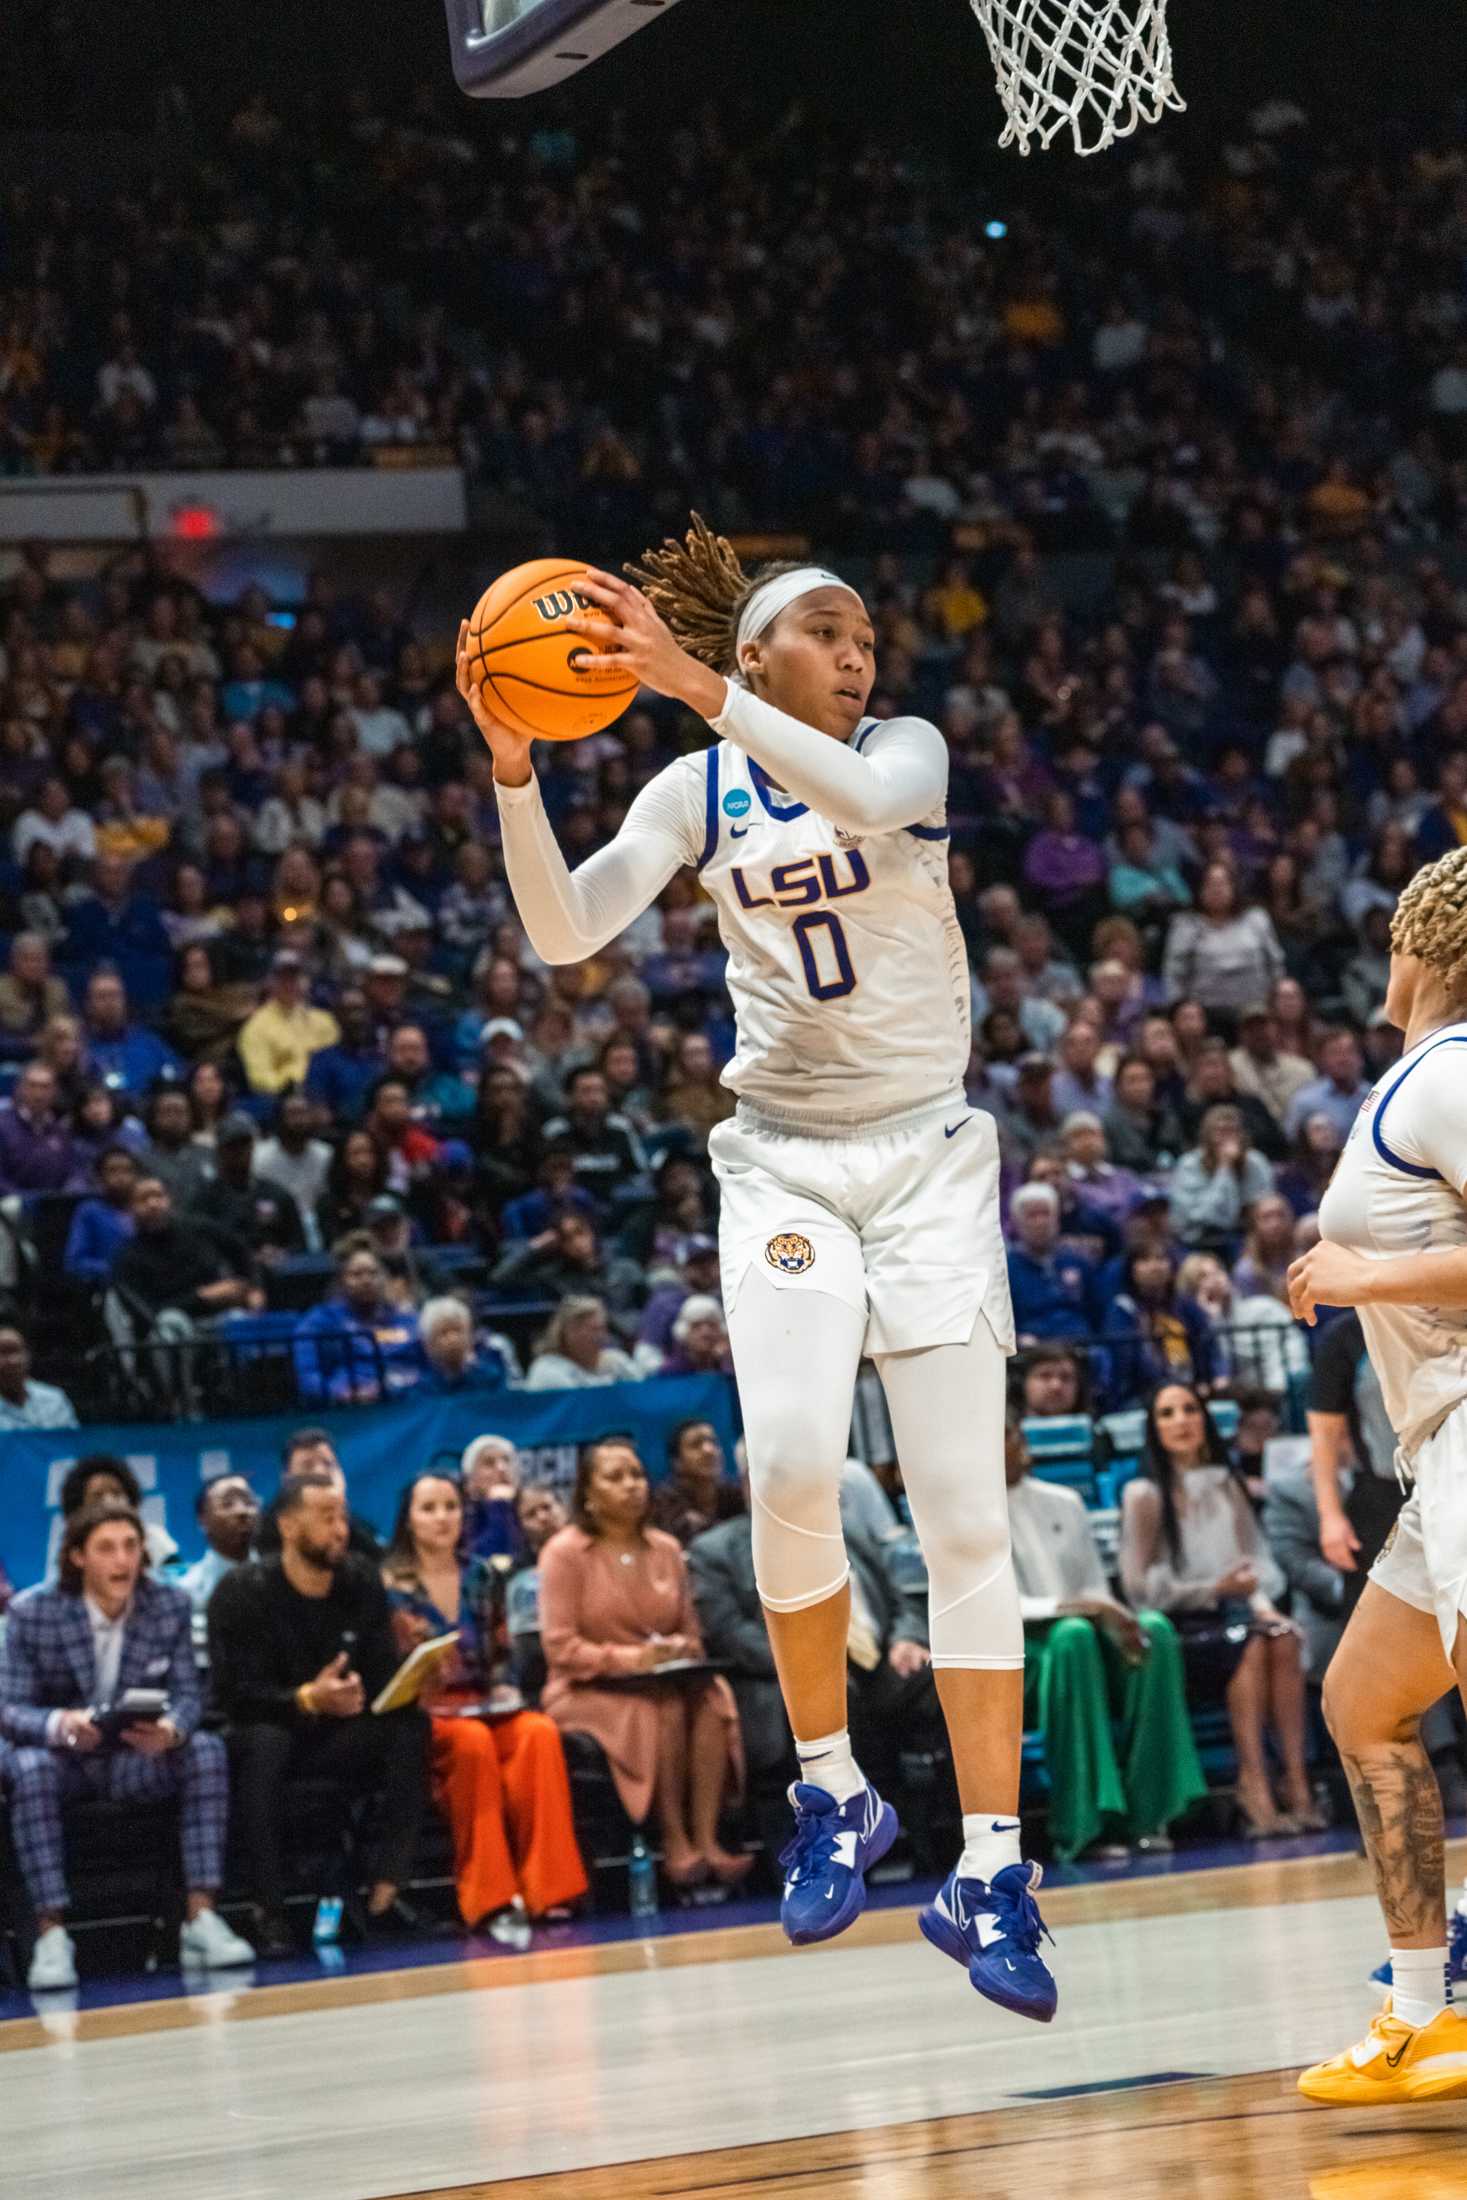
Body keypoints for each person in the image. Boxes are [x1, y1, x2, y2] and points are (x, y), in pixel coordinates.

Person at [459, 518, 1053, 2020]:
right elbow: (561, 930)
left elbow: (850, 789)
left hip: (926, 1157)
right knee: (787, 1462)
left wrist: (685, 684)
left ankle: (992, 1867)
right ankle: (832, 1790)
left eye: (865, 638)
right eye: (830, 632)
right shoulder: (694, 786)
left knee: (961, 1515)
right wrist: (515, 767)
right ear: (757, 651)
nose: (861, 655)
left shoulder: (901, 753)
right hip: (784, 1157)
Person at [1285, 846, 1467, 2098]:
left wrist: (1357, 1277)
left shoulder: (1451, 1072)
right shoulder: (1415, 1079)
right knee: (1361, 1702)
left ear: (1425, 943)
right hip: (1434, 1448)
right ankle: (1423, 2008)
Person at [0, 1500, 254, 1990]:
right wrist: (59, 1723)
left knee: (204, 1750)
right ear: (77, 1556)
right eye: (107, 1549)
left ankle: (200, 1917)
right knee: (29, 1769)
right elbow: (9, 1710)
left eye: (131, 1547)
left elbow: (188, 1694)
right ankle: (51, 1934)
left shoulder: (170, 1605)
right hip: (62, 1759)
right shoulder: (33, 1612)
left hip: (133, 1757)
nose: (122, 1560)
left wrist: (171, 1731)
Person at [207, 1473, 433, 1956]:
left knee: (408, 1726)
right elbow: (232, 1695)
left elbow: (380, 1674)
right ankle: (267, 1909)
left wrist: (409, 1678)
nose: (340, 1529)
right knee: (268, 1741)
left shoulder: (359, 1579)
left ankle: (388, 1886)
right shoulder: (242, 1591)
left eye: (343, 1517)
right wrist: (307, 1698)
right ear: (288, 1527)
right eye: (326, 1518)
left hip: (335, 1736)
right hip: (265, 1735)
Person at [381, 1472, 587, 1941]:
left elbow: (502, 1656)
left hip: (483, 1703)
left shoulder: (482, 1573)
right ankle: (489, 1899)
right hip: (423, 1714)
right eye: (429, 1508)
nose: (442, 1518)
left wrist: (503, 1689)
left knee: (537, 1732)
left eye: (451, 1507)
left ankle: (551, 1891)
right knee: (470, 1744)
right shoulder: (387, 1583)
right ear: (408, 1520)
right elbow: (388, 1672)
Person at [538, 1438, 749, 1891]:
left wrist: (677, 1649)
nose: (631, 1485)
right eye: (615, 1477)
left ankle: (708, 1838)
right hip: (587, 1689)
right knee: (662, 1709)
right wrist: (631, 1659)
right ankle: (674, 1842)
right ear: (588, 1495)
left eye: (636, 1474)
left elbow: (693, 1633)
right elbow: (560, 1648)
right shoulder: (564, 1553)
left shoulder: (667, 1548)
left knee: (712, 1698)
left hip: (664, 1678)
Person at [1119, 1383, 1315, 1840]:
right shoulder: (1143, 1494)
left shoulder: (1227, 1483)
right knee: (1246, 1643)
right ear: (1154, 1428)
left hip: (1237, 1613)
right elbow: (1138, 1588)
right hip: (1179, 1628)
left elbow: (1259, 1558)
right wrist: (1213, 1589)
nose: (1181, 1420)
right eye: (1167, 1413)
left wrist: (1258, 1597)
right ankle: (1253, 1783)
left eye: (1190, 1409)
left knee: (1281, 1635)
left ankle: (1298, 1781)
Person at [1006, 1416, 1205, 1861]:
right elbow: (993, 1607)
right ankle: (1083, 1824)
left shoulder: (1064, 1501)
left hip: (1081, 1630)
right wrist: (1079, 1610)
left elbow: (1094, 1585)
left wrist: (1115, 1619)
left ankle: (1152, 1813)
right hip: (1020, 1654)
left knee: (1153, 1629)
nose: (1009, 1444)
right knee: (1072, 1638)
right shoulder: (965, 1513)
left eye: (1011, 1434)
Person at [292, 1238, 424, 1405]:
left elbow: (432, 1368)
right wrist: (341, 1394)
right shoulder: (319, 1321)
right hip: (351, 1410)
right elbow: (308, 1376)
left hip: (411, 1403)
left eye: (373, 1273)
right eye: (356, 1274)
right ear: (341, 1281)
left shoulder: (407, 1319)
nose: (366, 1280)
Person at [254, 1432, 383, 1564]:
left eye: (328, 1464)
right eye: (307, 1466)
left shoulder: (360, 1529)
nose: (319, 1472)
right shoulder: (265, 1531)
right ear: (286, 1479)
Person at [236, 948, 340, 1097]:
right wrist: (290, 1086)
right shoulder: (256, 1027)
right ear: (270, 982)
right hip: (283, 1097)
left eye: (294, 978)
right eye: (282, 978)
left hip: (324, 1093)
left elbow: (336, 1063)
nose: (289, 984)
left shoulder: (324, 1021)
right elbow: (259, 1079)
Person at [57, 1451, 178, 1574]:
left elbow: (177, 1579)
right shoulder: (73, 1546)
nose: (109, 1501)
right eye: (97, 1496)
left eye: (117, 1493)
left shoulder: (153, 1538)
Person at [176, 1474, 260, 1632]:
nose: (242, 1512)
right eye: (228, 1504)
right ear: (203, 1520)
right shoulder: (187, 1592)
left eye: (249, 1502)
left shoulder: (284, 1578)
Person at [651, 1418, 743, 1546]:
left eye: (713, 1442)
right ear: (677, 1462)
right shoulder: (663, 1501)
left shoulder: (734, 1492)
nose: (709, 1450)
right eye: (696, 1445)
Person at [523, 1294, 642, 1390]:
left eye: (603, 1328)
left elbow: (642, 1397)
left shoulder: (617, 1361)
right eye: (594, 1330)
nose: (602, 1336)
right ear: (569, 1332)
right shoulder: (547, 1369)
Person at [62, 1144, 139, 1288]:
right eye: (113, 1171)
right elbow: (75, 1263)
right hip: (109, 1287)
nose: (121, 1177)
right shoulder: (90, 1211)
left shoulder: (144, 1209)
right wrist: (116, 1269)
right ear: (100, 1178)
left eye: (127, 1171)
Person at [419, 1294, 510, 1392]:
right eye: (443, 1332)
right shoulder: (420, 1390)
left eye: (458, 1330)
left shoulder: (492, 1380)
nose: (453, 1339)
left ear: (470, 1336)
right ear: (428, 1344)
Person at [0, 1323, 78, 1433]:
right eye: (2, 1352)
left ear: (27, 1356)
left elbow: (70, 1444)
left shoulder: (54, 1400)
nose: (10, 1361)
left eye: (14, 1351)